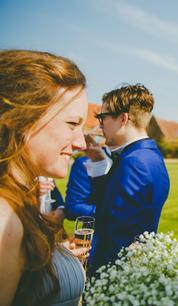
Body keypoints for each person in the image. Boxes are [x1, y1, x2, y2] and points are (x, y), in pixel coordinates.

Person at [0, 50, 90, 305]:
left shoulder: (21, 198)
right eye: (73, 123)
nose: (81, 143)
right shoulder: (3, 219)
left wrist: (56, 253)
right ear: (21, 119)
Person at [85, 83, 170, 274]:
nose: (100, 124)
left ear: (123, 118)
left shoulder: (134, 162)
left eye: (102, 117)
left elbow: (114, 231)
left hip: (114, 273)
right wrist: (99, 161)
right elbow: (110, 207)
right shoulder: (147, 156)